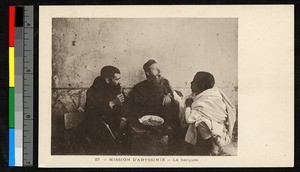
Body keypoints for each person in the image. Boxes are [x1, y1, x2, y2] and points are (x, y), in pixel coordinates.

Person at [129, 59, 182, 153]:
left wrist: (169, 96)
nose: (159, 71)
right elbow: (138, 107)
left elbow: (177, 93)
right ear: (147, 73)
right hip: (149, 121)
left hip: (166, 120)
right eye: (154, 69)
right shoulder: (140, 87)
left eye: (159, 68)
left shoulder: (164, 83)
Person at [183, 72, 236, 155]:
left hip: (219, 136)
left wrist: (188, 106)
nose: (191, 83)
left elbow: (189, 118)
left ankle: (212, 147)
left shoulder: (204, 101)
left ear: (202, 85)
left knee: (200, 122)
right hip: (218, 129)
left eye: (194, 81)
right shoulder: (211, 93)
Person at [83, 66, 131, 154]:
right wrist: (112, 103)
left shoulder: (116, 86)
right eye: (116, 79)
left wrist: (123, 117)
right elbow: (90, 112)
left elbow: (125, 103)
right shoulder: (93, 90)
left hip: (115, 120)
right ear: (108, 80)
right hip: (98, 124)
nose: (119, 81)